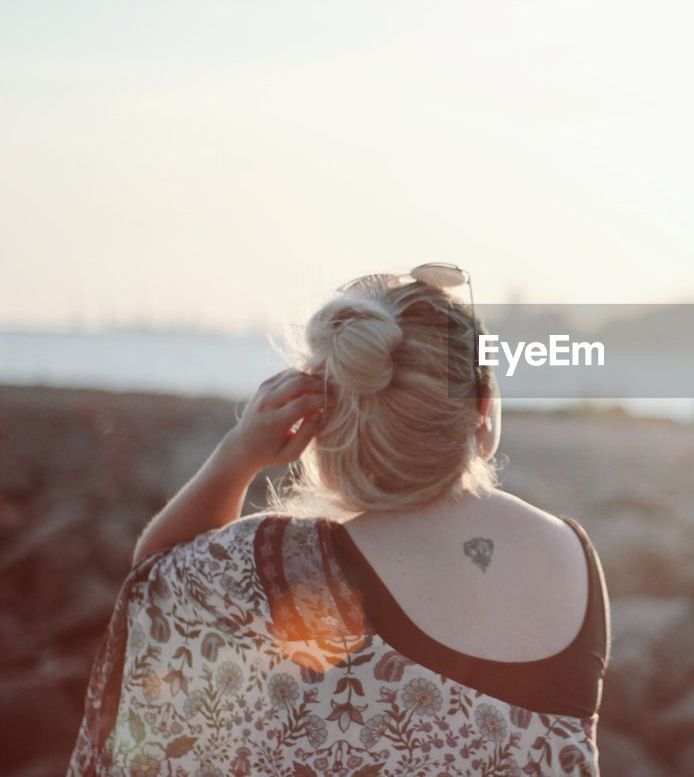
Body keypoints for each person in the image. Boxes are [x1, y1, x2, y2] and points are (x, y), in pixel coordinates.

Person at [68, 264, 611, 776]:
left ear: (326, 423)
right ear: (482, 405)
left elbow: (156, 586)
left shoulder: (282, 564)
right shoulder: (571, 553)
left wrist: (240, 453)